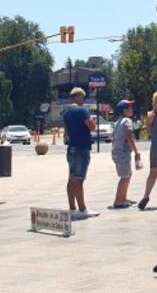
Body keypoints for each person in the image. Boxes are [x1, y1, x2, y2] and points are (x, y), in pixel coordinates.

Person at [63, 87, 98, 219]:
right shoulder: (82, 110)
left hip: (71, 147)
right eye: (83, 97)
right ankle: (82, 209)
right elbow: (92, 127)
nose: (84, 100)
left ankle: (72, 208)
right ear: (78, 97)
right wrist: (92, 120)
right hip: (81, 147)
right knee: (79, 179)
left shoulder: (66, 112)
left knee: (71, 178)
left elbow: (66, 132)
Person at [111, 99, 141, 209]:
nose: (131, 109)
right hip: (123, 152)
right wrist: (136, 151)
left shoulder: (117, 122)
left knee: (127, 175)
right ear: (124, 110)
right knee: (125, 176)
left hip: (117, 152)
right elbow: (129, 137)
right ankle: (119, 200)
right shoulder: (127, 121)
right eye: (129, 107)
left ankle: (123, 197)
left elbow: (114, 137)